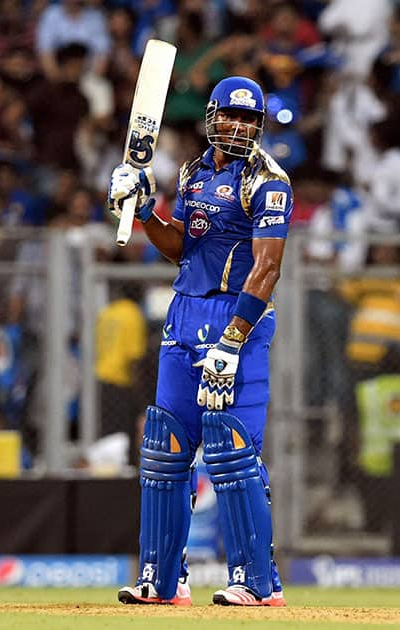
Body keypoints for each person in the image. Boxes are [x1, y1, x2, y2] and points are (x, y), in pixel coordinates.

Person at [107, 76, 293, 607]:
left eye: (249, 120)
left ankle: (257, 582)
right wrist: (144, 211)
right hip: (183, 313)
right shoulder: (192, 172)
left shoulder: (268, 180)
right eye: (230, 117)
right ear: (211, 117)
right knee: (165, 450)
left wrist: (233, 341)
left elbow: (268, 267)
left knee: (232, 451)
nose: (239, 127)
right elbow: (180, 247)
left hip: (239, 317)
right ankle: (161, 580)